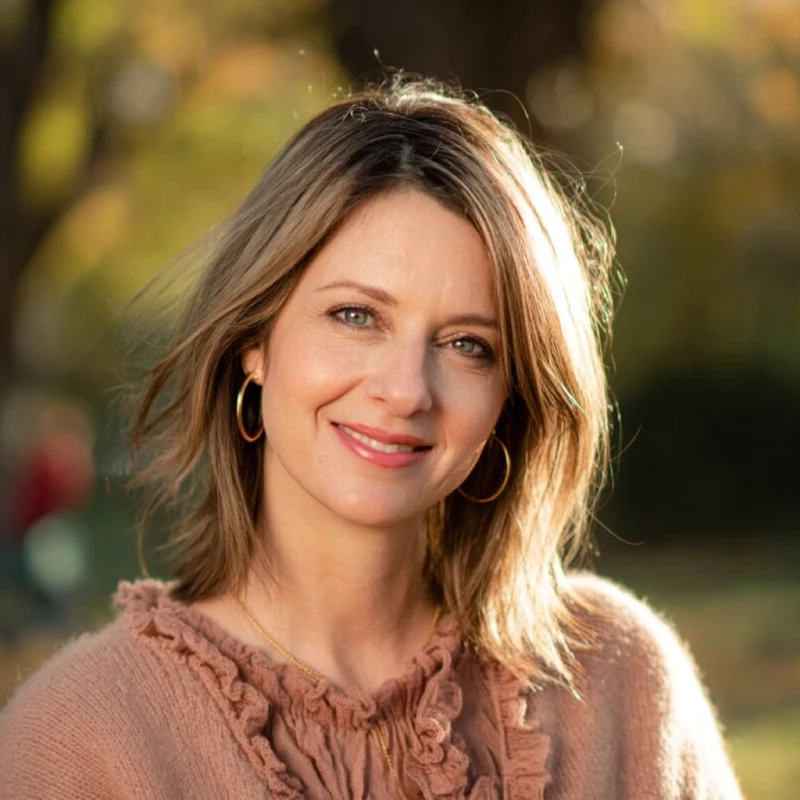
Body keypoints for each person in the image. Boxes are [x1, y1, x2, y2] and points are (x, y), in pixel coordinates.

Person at [0, 77, 742, 799]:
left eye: (468, 344)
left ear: (509, 399)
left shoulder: (622, 682)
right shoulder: (78, 739)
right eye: (356, 316)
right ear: (254, 339)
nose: (406, 389)